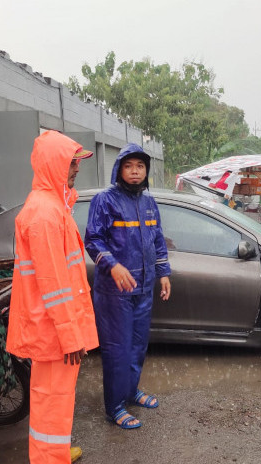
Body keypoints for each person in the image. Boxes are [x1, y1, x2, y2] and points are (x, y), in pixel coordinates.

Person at [6, 130, 99, 464]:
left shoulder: (51, 205)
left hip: (56, 325)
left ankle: (56, 454)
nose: (76, 168)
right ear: (53, 165)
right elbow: (53, 284)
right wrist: (70, 335)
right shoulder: (45, 214)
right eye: (70, 162)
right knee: (50, 398)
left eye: (77, 162)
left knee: (58, 396)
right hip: (54, 329)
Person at [84, 143, 171, 429]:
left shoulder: (149, 203)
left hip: (144, 288)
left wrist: (164, 274)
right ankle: (115, 406)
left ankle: (131, 391)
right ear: (119, 169)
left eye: (140, 166)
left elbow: (158, 240)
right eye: (129, 166)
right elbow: (93, 240)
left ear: (146, 172)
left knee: (137, 346)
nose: (135, 171)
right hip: (114, 292)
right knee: (117, 350)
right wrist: (113, 265)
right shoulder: (104, 200)